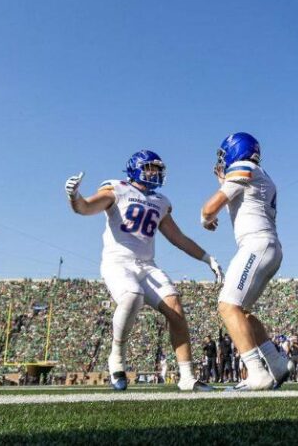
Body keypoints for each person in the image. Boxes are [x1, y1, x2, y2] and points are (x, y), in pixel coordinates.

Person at [64, 150, 219, 392]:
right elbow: (85, 208)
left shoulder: (160, 201)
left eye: (158, 169)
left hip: (146, 265)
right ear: (136, 168)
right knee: (132, 295)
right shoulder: (117, 188)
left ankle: (187, 377)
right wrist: (74, 196)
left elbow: (177, 237)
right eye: (151, 168)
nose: (155, 173)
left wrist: (207, 257)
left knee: (175, 308)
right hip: (118, 262)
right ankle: (116, 359)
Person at [201, 132, 287, 391]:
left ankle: (257, 372)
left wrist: (206, 218)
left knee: (227, 307)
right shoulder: (262, 174)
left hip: (256, 245)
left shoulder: (244, 167)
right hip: (269, 247)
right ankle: (277, 363)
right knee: (242, 311)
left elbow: (209, 208)